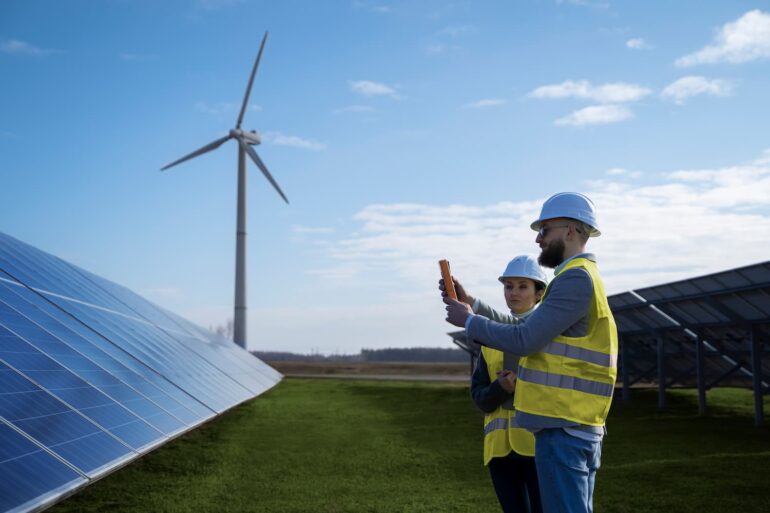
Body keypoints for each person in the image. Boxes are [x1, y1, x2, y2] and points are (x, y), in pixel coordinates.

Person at [442, 192, 617, 513]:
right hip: (570, 425)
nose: (538, 238)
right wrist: (473, 304)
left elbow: (524, 337)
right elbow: (524, 324)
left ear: (569, 231)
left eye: (545, 229)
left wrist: (468, 320)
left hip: (565, 427)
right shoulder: (578, 277)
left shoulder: (575, 278)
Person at [468, 255, 547, 513]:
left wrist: (520, 387)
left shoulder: (550, 333)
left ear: (538, 294)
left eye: (523, 286)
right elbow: (479, 397)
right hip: (499, 450)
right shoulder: (490, 337)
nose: (514, 292)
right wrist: (500, 389)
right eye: (508, 286)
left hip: (539, 447)